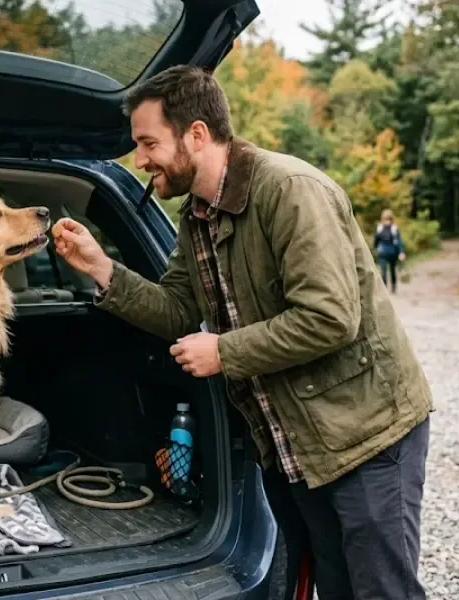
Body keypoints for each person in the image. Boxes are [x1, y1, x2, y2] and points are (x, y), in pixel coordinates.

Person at [52, 66, 433, 600]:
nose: (139, 161)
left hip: (365, 432)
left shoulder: (291, 191)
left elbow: (330, 317)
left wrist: (224, 351)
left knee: (383, 590)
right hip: (294, 443)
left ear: (198, 135)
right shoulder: (196, 216)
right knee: (338, 586)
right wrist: (103, 270)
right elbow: (178, 310)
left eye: (147, 143)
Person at [374, 208, 406, 293]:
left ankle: (393, 288)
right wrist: (376, 249)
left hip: (392, 253)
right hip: (383, 253)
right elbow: (376, 241)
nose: (387, 221)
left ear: (392, 219)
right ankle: (384, 290)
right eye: (386, 219)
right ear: (383, 219)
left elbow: (398, 241)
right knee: (383, 272)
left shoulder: (394, 228)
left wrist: (401, 252)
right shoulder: (380, 228)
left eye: (389, 219)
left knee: (392, 271)